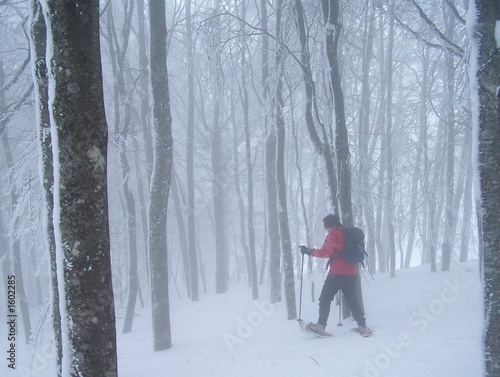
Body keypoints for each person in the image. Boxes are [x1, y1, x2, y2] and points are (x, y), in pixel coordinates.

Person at [300, 214, 371, 336]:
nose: (325, 229)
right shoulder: (346, 233)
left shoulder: (333, 236)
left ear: (330, 225)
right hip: (351, 272)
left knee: (325, 299)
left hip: (337, 273)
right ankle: (362, 326)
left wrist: (309, 251)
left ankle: (320, 326)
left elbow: (324, 253)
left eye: (326, 226)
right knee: (352, 300)